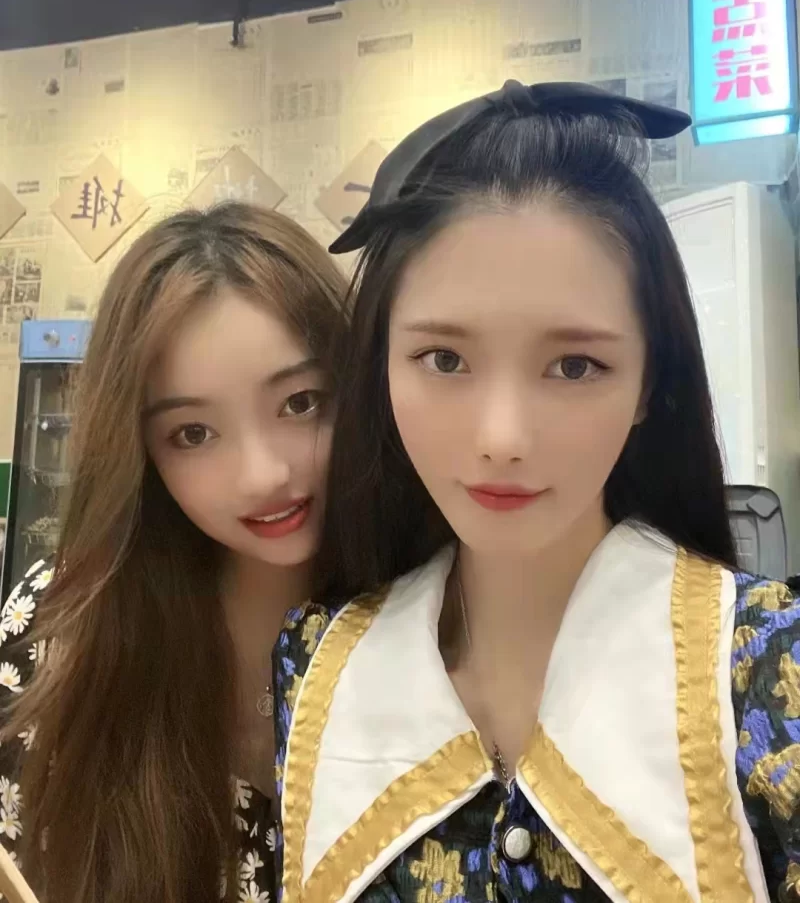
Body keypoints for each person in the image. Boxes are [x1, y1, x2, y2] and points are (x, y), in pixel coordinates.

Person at [272, 82, 800, 903]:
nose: (503, 436)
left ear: (650, 383)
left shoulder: (767, 668)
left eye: (574, 365)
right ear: (381, 367)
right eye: (445, 359)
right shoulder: (315, 663)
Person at [0, 202, 347, 903]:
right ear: (141, 452)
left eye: (301, 402)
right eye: (193, 433)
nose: (263, 475)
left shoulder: (441, 622)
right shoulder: (60, 627)